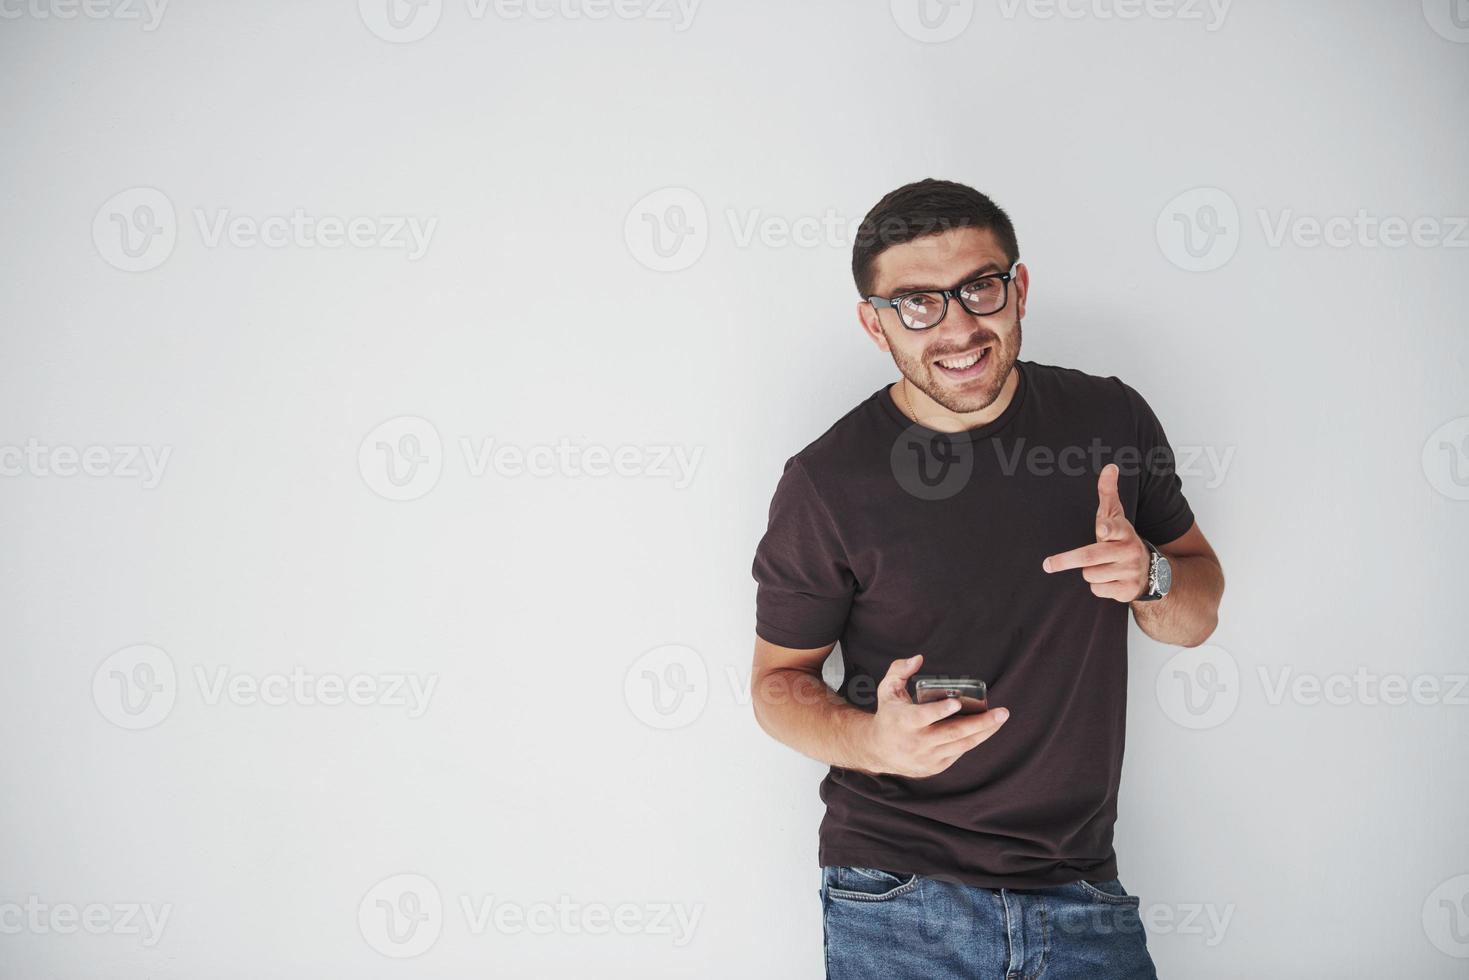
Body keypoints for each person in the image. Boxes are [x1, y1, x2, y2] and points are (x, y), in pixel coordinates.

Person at [749, 178, 1225, 979]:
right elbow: (775, 684)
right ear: (875, 323)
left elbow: (1197, 609)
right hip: (897, 894)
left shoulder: (1109, 420)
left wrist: (1147, 575)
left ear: (1019, 288)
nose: (959, 326)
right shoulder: (827, 482)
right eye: (916, 303)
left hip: (1082, 888)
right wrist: (869, 738)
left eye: (979, 287)